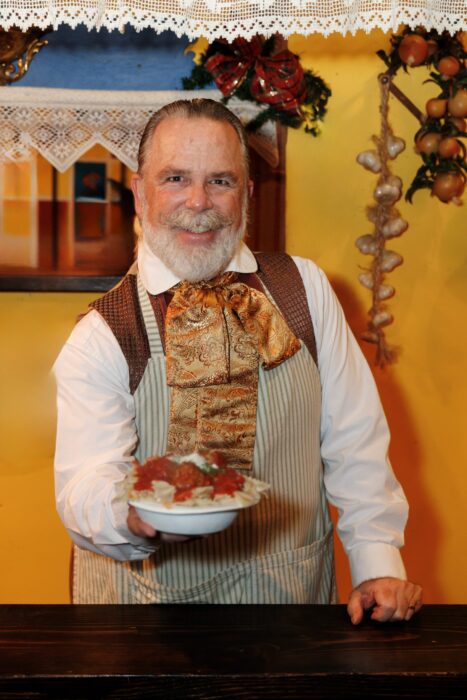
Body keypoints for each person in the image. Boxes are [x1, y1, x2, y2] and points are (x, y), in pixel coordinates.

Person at [54, 98, 422, 621]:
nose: (199, 201)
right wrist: (129, 514)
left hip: (292, 605)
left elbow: (356, 440)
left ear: (246, 195)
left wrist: (377, 563)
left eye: (220, 181)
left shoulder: (306, 290)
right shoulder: (102, 333)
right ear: (140, 193)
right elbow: (83, 485)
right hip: (147, 624)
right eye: (175, 178)